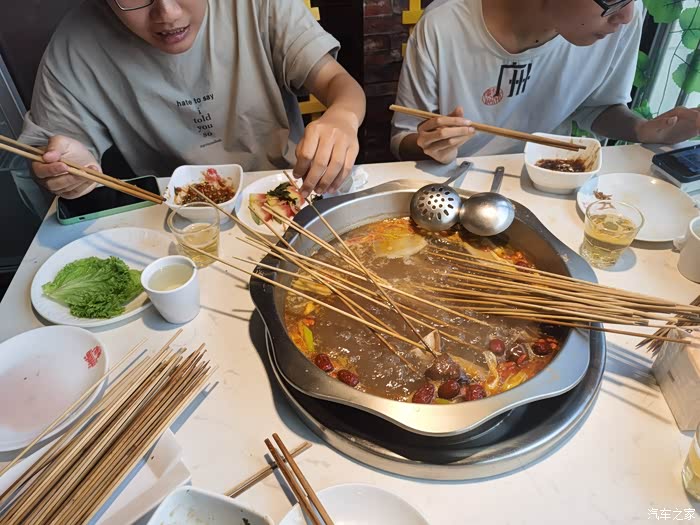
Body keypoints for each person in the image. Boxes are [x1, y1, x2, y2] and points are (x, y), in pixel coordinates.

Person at [20, 0, 366, 199]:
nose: (168, 13)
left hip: (286, 190)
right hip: (176, 213)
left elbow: (338, 83)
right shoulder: (77, 41)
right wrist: (65, 170)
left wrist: (342, 117)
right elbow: (43, 156)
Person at [391, 0, 700, 164]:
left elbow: (596, 107)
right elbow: (402, 139)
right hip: (460, 185)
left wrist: (643, 130)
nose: (628, 15)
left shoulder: (618, 22)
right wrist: (431, 146)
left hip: (554, 177)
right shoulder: (444, 25)